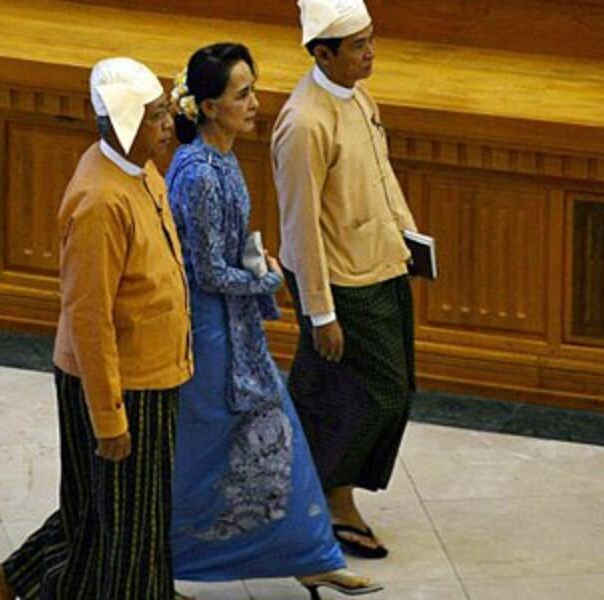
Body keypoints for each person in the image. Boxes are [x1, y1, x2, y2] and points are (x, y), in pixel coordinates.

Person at [0, 57, 192, 600]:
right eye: (157, 115)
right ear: (122, 123)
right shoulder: (100, 200)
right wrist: (109, 419)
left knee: (100, 516)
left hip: (151, 374)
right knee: (129, 534)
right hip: (122, 384)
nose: (168, 125)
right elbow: (90, 319)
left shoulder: (138, 169)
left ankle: (5, 581)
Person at [166, 43, 381, 599]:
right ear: (210, 106)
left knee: (276, 441)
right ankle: (167, 559)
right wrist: (268, 279)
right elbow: (208, 272)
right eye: (243, 95)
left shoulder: (222, 158)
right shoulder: (199, 175)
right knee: (206, 453)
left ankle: (312, 555)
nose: (256, 103)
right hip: (212, 337)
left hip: (232, 332)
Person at [271, 0, 418, 559]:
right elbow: (299, 227)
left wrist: (407, 235)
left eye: (371, 40)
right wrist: (321, 312)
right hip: (343, 283)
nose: (371, 53)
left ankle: (302, 490)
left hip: (382, 263)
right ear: (323, 53)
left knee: (327, 391)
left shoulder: (359, 96)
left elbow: (382, 173)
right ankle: (332, 498)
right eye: (358, 46)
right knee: (380, 393)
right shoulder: (304, 123)